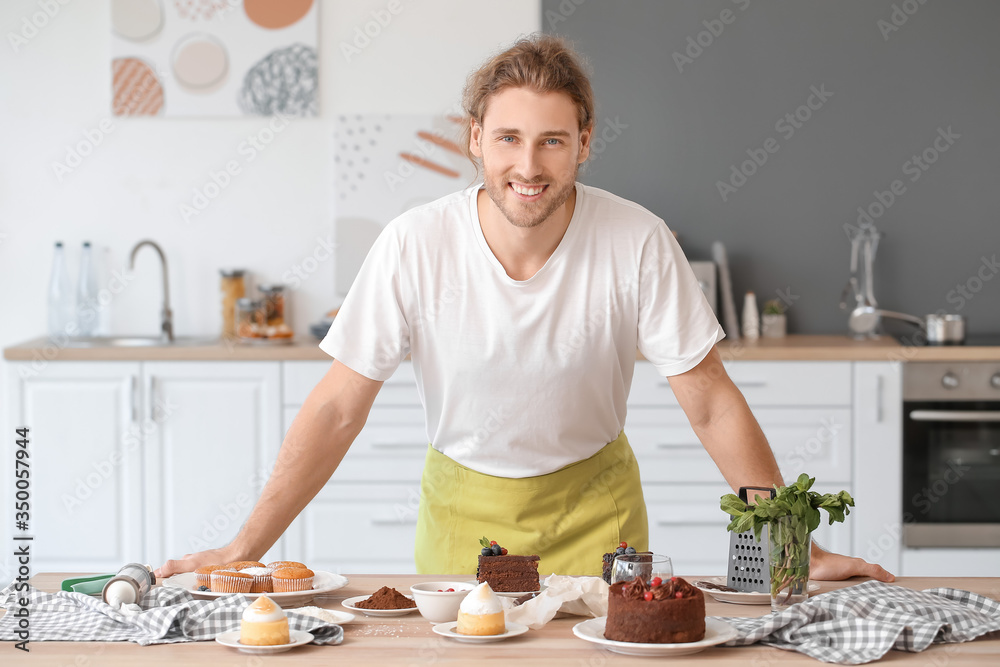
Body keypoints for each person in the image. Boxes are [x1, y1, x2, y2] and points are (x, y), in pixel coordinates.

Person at [157, 35, 893, 582]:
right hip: (460, 524)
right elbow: (336, 409)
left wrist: (799, 545)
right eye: (508, 138)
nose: (528, 166)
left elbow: (711, 404)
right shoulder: (414, 243)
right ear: (474, 138)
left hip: (599, 520)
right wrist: (244, 544)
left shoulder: (638, 238)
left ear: (584, 143)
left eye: (551, 141)